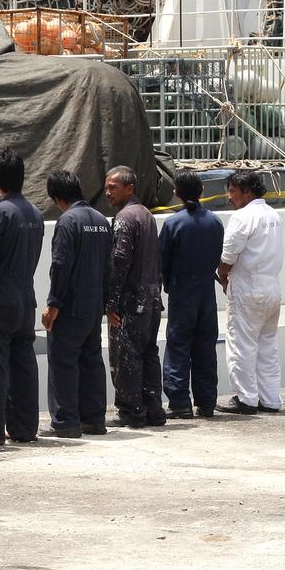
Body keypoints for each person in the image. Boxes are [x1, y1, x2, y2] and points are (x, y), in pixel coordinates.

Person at [0, 148, 44, 446]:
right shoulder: (36, 214)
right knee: (24, 362)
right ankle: (25, 428)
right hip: (25, 295)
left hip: (0, 294)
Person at [42, 170, 112, 438]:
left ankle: (66, 421)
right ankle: (94, 419)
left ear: (57, 197)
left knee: (63, 362)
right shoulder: (100, 220)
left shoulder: (67, 221)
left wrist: (53, 304)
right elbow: (108, 265)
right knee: (92, 360)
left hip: (70, 305)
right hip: (94, 305)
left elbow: (60, 265)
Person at [216, 170, 285, 415]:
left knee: (241, 344)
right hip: (272, 287)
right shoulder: (273, 215)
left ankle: (246, 398)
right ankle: (271, 399)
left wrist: (223, 274)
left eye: (233, 191)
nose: (229, 197)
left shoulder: (243, 217)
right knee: (267, 346)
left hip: (248, 286)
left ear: (247, 191)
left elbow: (228, 255)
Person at [105, 166, 167, 428]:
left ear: (130, 188)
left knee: (126, 354)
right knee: (149, 353)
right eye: (106, 187)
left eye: (113, 187)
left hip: (133, 299)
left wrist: (111, 303)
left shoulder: (125, 218)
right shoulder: (146, 215)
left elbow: (119, 260)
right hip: (152, 297)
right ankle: (153, 409)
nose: (108, 192)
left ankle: (131, 411)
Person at [159, 171, 224, 419]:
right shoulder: (215, 221)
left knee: (178, 346)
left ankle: (179, 403)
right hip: (207, 290)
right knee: (205, 347)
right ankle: (206, 402)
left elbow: (163, 259)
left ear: (176, 192)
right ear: (202, 191)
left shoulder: (173, 223)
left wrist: (168, 284)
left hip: (182, 290)